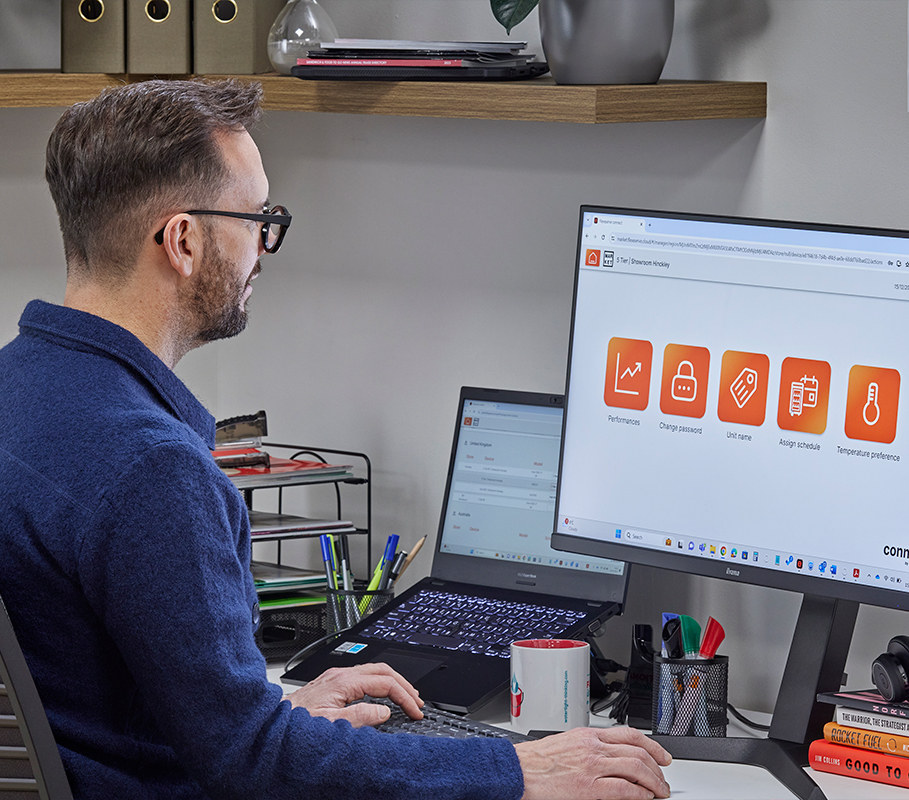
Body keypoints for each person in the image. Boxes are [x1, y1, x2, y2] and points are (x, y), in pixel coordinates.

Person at [0, 78, 671, 800]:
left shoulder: (16, 389)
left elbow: (92, 695)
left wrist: (267, 714)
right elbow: (254, 769)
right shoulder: (152, 471)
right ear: (183, 240)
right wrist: (517, 771)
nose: (263, 249)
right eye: (256, 220)